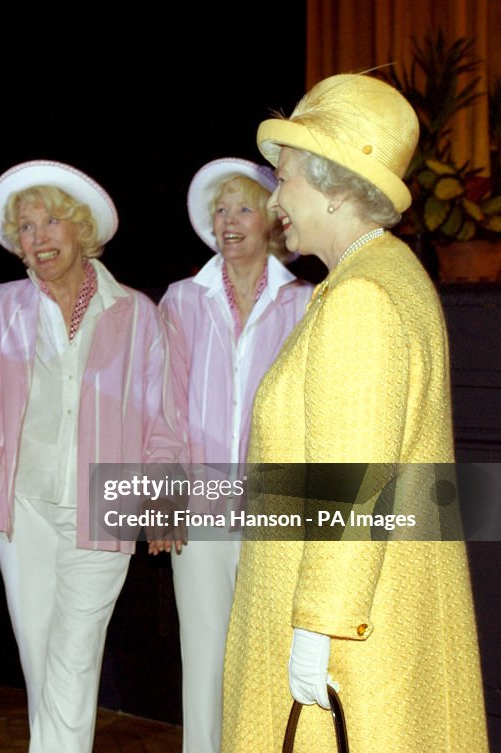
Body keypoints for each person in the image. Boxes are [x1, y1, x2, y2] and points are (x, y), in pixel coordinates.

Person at [221, 73, 488, 752]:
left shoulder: (360, 299)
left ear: (337, 187)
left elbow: (352, 476)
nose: (275, 198)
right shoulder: (390, 274)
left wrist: (317, 627)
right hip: (385, 607)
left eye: (285, 179)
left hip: (348, 640)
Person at [0, 159, 180, 753]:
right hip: (23, 505)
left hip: (106, 502)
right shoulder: (6, 304)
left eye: (52, 221)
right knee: (40, 653)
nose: (39, 236)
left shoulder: (136, 313)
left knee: (74, 657)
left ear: (81, 230)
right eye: (27, 227)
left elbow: (164, 416)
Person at [151, 158, 311, 753]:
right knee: (205, 657)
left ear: (272, 220)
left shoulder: (305, 302)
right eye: (220, 210)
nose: (229, 221)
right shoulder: (182, 300)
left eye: (243, 208)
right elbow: (163, 408)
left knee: (272, 656)